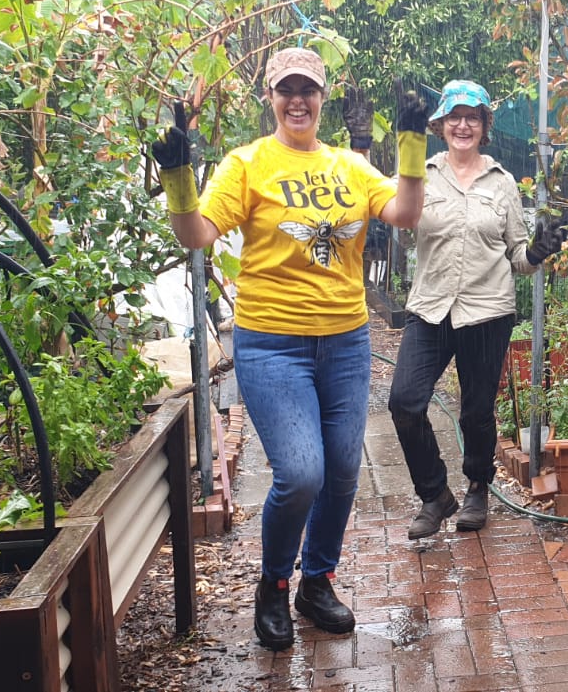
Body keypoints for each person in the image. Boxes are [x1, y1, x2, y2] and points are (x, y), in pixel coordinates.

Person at [151, 46, 430, 651]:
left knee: (344, 470)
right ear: (270, 97)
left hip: (348, 345)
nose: (297, 100)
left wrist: (411, 144)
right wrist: (177, 181)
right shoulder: (247, 163)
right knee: (302, 473)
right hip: (273, 344)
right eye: (286, 89)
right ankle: (274, 583)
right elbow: (197, 234)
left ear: (322, 97)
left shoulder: (350, 167)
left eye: (308, 89)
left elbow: (405, 213)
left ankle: (317, 580)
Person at [388, 79, 567, 540]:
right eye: (455, 116)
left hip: (488, 312)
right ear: (441, 125)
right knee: (405, 402)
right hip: (430, 308)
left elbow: (517, 258)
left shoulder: (502, 183)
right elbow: (401, 224)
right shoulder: (421, 175)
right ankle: (434, 494)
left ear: (484, 126)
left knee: (476, 412)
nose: (463, 125)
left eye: (472, 117)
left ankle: (476, 488)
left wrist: (539, 253)